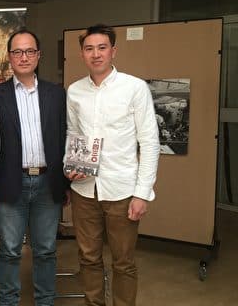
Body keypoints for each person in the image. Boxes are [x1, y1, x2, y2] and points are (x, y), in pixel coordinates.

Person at [66, 24, 159, 306]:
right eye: (89, 48)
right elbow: (74, 134)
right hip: (84, 190)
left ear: (113, 51)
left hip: (122, 191)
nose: (96, 54)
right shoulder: (75, 91)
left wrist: (142, 193)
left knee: (123, 262)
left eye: (102, 48)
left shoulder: (134, 88)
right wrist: (70, 165)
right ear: (82, 54)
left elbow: (150, 142)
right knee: (88, 257)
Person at [0, 29, 68, 306]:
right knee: (9, 251)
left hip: (47, 184)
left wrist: (65, 184)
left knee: (45, 250)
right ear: (9, 57)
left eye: (29, 51)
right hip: (10, 183)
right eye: (18, 52)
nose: (24, 57)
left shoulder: (56, 94)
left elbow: (64, 137)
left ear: (38, 55)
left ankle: (45, 301)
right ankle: (8, 302)